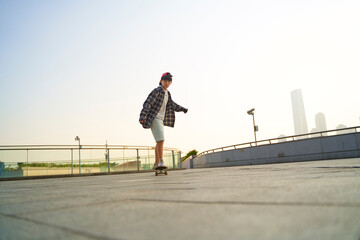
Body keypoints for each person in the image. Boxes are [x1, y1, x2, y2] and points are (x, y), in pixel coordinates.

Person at [139, 72, 188, 169]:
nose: (167, 83)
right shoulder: (157, 91)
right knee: (161, 139)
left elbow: (171, 105)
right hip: (155, 118)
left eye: (169, 81)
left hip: (161, 119)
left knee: (159, 141)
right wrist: (143, 116)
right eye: (165, 80)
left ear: (171, 83)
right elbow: (148, 103)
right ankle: (161, 161)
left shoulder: (167, 93)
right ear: (161, 81)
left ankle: (157, 163)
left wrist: (182, 109)